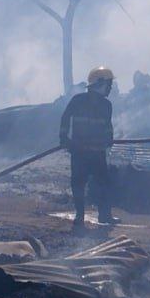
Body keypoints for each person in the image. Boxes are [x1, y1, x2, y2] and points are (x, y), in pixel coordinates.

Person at [60, 66, 118, 229]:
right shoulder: (77, 100)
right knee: (78, 184)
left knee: (104, 183)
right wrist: (64, 138)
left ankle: (105, 215)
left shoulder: (107, 105)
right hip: (80, 152)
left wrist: (109, 139)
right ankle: (80, 216)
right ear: (99, 84)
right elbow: (65, 118)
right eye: (108, 84)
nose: (110, 88)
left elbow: (108, 126)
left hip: (97, 152)